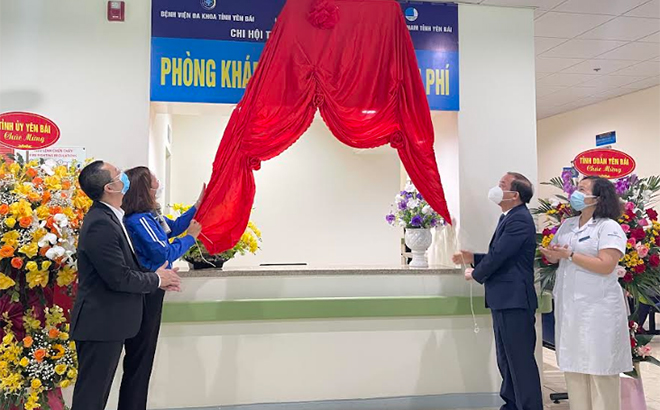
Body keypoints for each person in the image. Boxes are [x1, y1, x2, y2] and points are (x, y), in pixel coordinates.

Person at [71, 161, 181, 410]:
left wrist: (157, 276)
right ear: (111, 187)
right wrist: (157, 279)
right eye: (118, 174)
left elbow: (127, 267)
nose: (124, 176)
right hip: (100, 324)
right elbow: (119, 277)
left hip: (111, 322)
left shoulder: (114, 216)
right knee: (91, 397)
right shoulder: (100, 222)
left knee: (97, 394)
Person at [453, 172, 543, 410]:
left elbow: (501, 255)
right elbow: (505, 256)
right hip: (504, 299)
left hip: (515, 301)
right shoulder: (509, 217)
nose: (496, 188)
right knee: (506, 359)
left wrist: (477, 272)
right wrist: (474, 258)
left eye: (502, 185)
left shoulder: (519, 219)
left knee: (520, 361)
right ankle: (512, 404)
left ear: (514, 195)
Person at [540, 176, 631, 410]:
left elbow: (605, 265)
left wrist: (570, 255)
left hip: (598, 308)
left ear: (598, 198)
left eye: (582, 189)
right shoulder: (568, 224)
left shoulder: (608, 227)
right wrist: (552, 253)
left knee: (600, 369)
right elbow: (557, 256)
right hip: (571, 307)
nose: (576, 193)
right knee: (574, 369)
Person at [119, 166, 204, 410]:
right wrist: (191, 238)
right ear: (144, 187)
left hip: (152, 289)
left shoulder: (150, 215)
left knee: (143, 359)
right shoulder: (138, 220)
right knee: (140, 358)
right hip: (146, 292)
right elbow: (163, 252)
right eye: (153, 178)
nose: (158, 180)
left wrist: (197, 205)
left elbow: (173, 227)